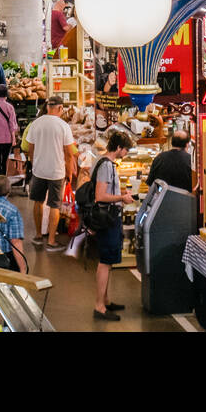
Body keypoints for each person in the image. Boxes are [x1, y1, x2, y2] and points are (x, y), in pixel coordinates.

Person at [91, 131, 134, 321]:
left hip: (109, 217)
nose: (126, 153)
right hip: (107, 218)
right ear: (118, 148)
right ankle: (99, 306)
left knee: (107, 261)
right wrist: (121, 197)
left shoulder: (102, 162)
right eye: (125, 150)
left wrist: (119, 192)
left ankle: (106, 300)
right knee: (105, 262)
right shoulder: (106, 166)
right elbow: (100, 196)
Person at [24, 95, 75, 252]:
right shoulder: (63, 126)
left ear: (47, 107)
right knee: (54, 205)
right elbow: (68, 153)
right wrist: (69, 171)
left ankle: (39, 235)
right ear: (60, 108)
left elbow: (30, 147)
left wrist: (34, 163)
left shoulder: (36, 124)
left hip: (39, 170)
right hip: (56, 172)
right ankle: (51, 240)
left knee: (38, 202)